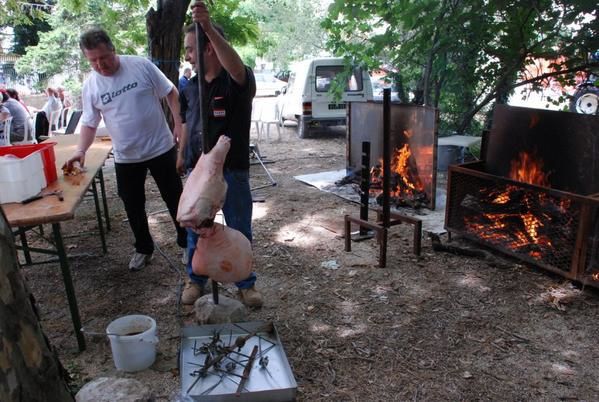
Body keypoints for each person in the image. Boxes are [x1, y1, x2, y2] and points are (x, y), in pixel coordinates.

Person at [64, 28, 187, 271]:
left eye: (103, 57)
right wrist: (81, 150)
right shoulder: (91, 85)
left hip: (160, 147)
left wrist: (178, 125)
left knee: (174, 197)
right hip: (126, 156)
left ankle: (186, 243)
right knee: (132, 203)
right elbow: (90, 123)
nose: (100, 64)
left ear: (113, 49)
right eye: (93, 61)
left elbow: (171, 93)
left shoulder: (140, 66)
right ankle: (143, 247)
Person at [177, 1, 262, 307]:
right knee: (195, 227)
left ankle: (245, 283)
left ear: (209, 48)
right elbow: (188, 122)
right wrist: (181, 153)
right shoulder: (191, 87)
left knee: (239, 226)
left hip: (232, 169)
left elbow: (237, 68)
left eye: (191, 48)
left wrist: (208, 28)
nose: (187, 55)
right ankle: (195, 279)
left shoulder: (237, 81)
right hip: (199, 170)